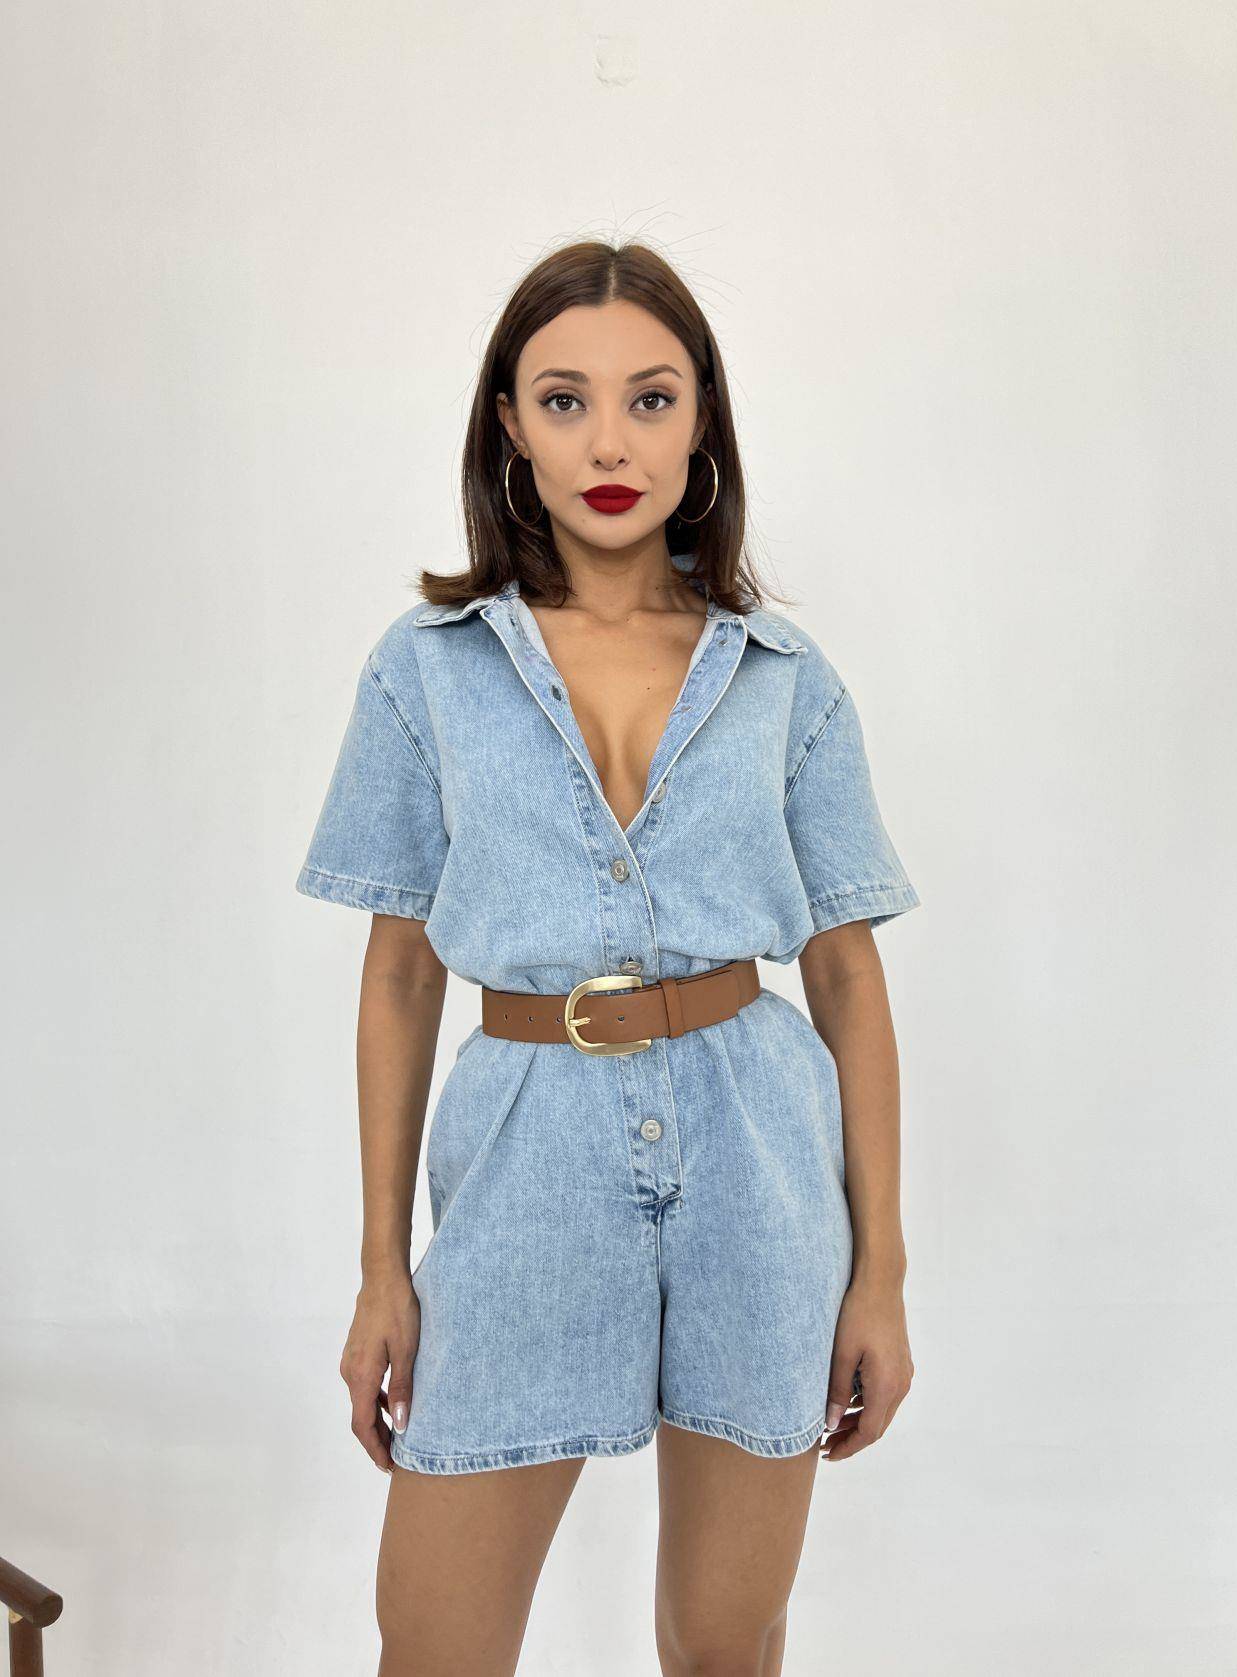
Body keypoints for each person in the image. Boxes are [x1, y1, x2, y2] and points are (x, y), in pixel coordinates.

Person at [295, 239, 921, 1677]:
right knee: (434, 1646)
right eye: (564, 400)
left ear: (702, 424)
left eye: (650, 398)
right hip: (524, 1162)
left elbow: (846, 980)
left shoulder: (786, 679)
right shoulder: (428, 666)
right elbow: (400, 975)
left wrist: (880, 1274)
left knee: (724, 1642)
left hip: (762, 1168)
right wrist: (382, 1268)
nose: (610, 443)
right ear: (509, 427)